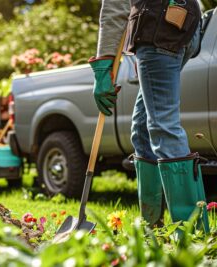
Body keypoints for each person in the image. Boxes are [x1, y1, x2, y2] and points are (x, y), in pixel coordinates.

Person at [89, 0, 209, 231]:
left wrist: (104, 63)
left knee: (162, 125)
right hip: (183, 25)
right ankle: (152, 225)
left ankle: (190, 232)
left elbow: (116, 6)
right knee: (142, 128)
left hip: (159, 30)